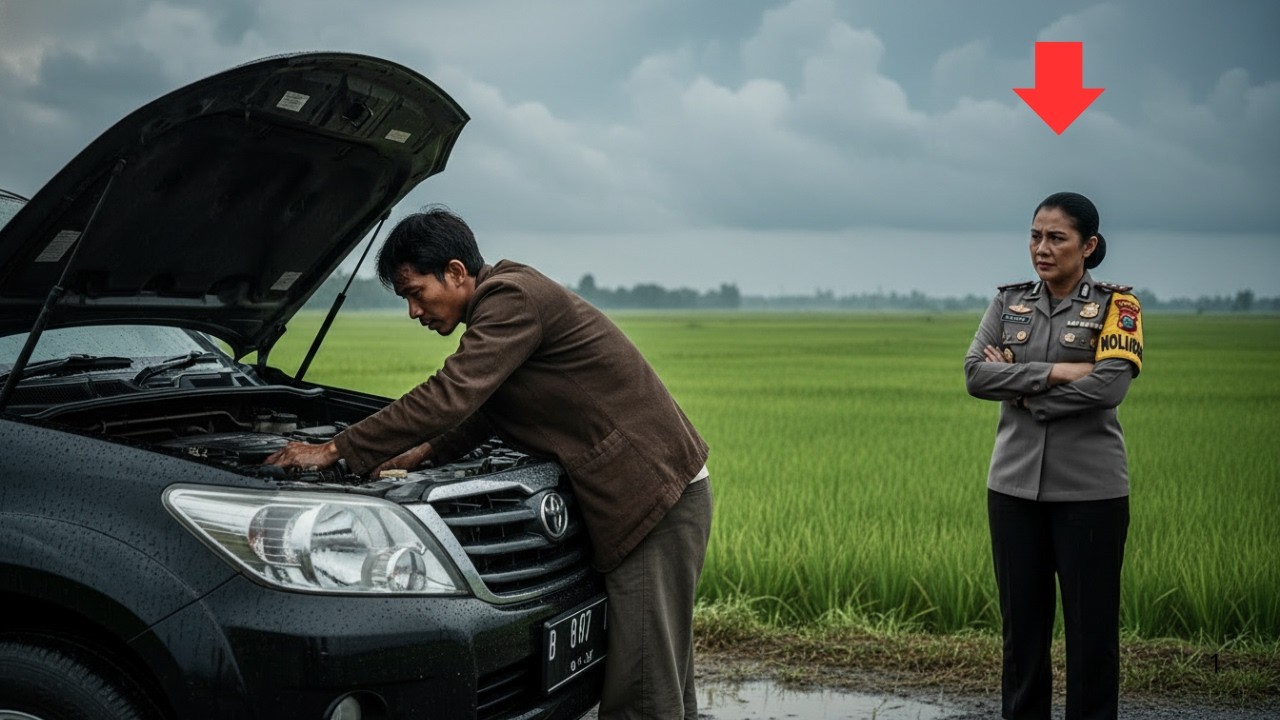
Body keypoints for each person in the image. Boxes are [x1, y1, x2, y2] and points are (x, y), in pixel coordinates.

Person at [264, 208, 713, 720]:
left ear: (456, 273)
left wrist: (334, 449)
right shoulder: (506, 305)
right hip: (653, 497)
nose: (414, 312)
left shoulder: (512, 298)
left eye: (415, 293)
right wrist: (424, 452)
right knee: (660, 677)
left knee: (643, 695)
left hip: (655, 499)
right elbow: (486, 412)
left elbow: (452, 395)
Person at [964, 192, 1144, 720]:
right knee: (1023, 635)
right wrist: (1058, 371)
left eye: (1056, 238)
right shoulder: (1007, 302)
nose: (1041, 249)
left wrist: (1019, 391)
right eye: (1035, 236)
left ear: (1087, 246)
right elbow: (976, 374)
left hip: (1091, 493)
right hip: (1013, 490)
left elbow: (1108, 387)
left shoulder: (1118, 307)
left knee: (1091, 636)